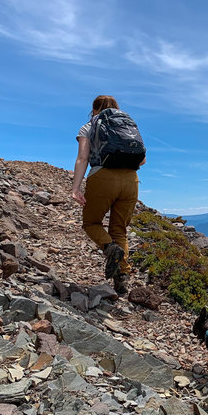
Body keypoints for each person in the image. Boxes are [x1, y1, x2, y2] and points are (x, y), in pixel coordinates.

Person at [71, 95, 145, 295]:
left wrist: (76, 188)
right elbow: (142, 160)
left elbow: (82, 157)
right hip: (131, 180)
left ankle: (109, 248)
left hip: (102, 177)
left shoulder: (89, 126)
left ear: (94, 109)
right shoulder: (128, 126)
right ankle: (122, 277)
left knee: (91, 223)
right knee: (119, 229)